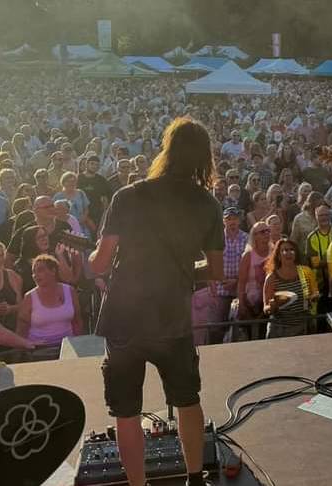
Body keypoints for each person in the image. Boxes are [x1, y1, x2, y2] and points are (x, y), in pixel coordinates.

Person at [89, 117, 223, 486]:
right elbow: (214, 271)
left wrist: (88, 261)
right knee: (187, 400)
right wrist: (182, 273)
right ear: (204, 158)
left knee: (126, 411)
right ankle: (195, 478)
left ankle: (137, 484)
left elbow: (100, 263)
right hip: (173, 318)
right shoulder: (207, 204)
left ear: (167, 149)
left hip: (124, 317)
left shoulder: (128, 196)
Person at [17, 255, 83, 349]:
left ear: (53, 271)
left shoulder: (70, 291)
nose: (35, 275)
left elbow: (77, 321)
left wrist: (79, 344)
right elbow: (22, 327)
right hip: (39, 350)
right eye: (33, 272)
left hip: (68, 347)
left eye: (40, 270)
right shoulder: (29, 297)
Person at [262, 238, 318, 338]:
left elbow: (314, 294)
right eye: (284, 250)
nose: (289, 253)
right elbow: (266, 308)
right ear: (278, 256)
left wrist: (313, 298)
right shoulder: (271, 278)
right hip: (279, 330)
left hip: (303, 329)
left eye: (291, 250)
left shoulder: (306, 271)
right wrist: (272, 306)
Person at [208, 207, 247, 344]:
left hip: (240, 288)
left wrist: (236, 282)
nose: (232, 222)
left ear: (240, 220)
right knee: (216, 326)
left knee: (241, 327)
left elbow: (249, 265)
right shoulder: (216, 238)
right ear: (223, 221)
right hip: (220, 289)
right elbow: (209, 262)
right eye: (228, 219)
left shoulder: (246, 238)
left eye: (235, 218)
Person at [235, 221, 272, 326]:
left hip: (270, 301)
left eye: (268, 230)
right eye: (262, 232)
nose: (266, 234)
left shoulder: (274, 252)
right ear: (254, 236)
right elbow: (241, 282)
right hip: (251, 304)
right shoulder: (248, 256)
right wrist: (241, 304)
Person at [304, 204, 332, 315]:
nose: (324, 217)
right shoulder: (312, 237)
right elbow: (315, 263)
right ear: (316, 217)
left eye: (326, 214)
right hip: (321, 285)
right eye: (321, 215)